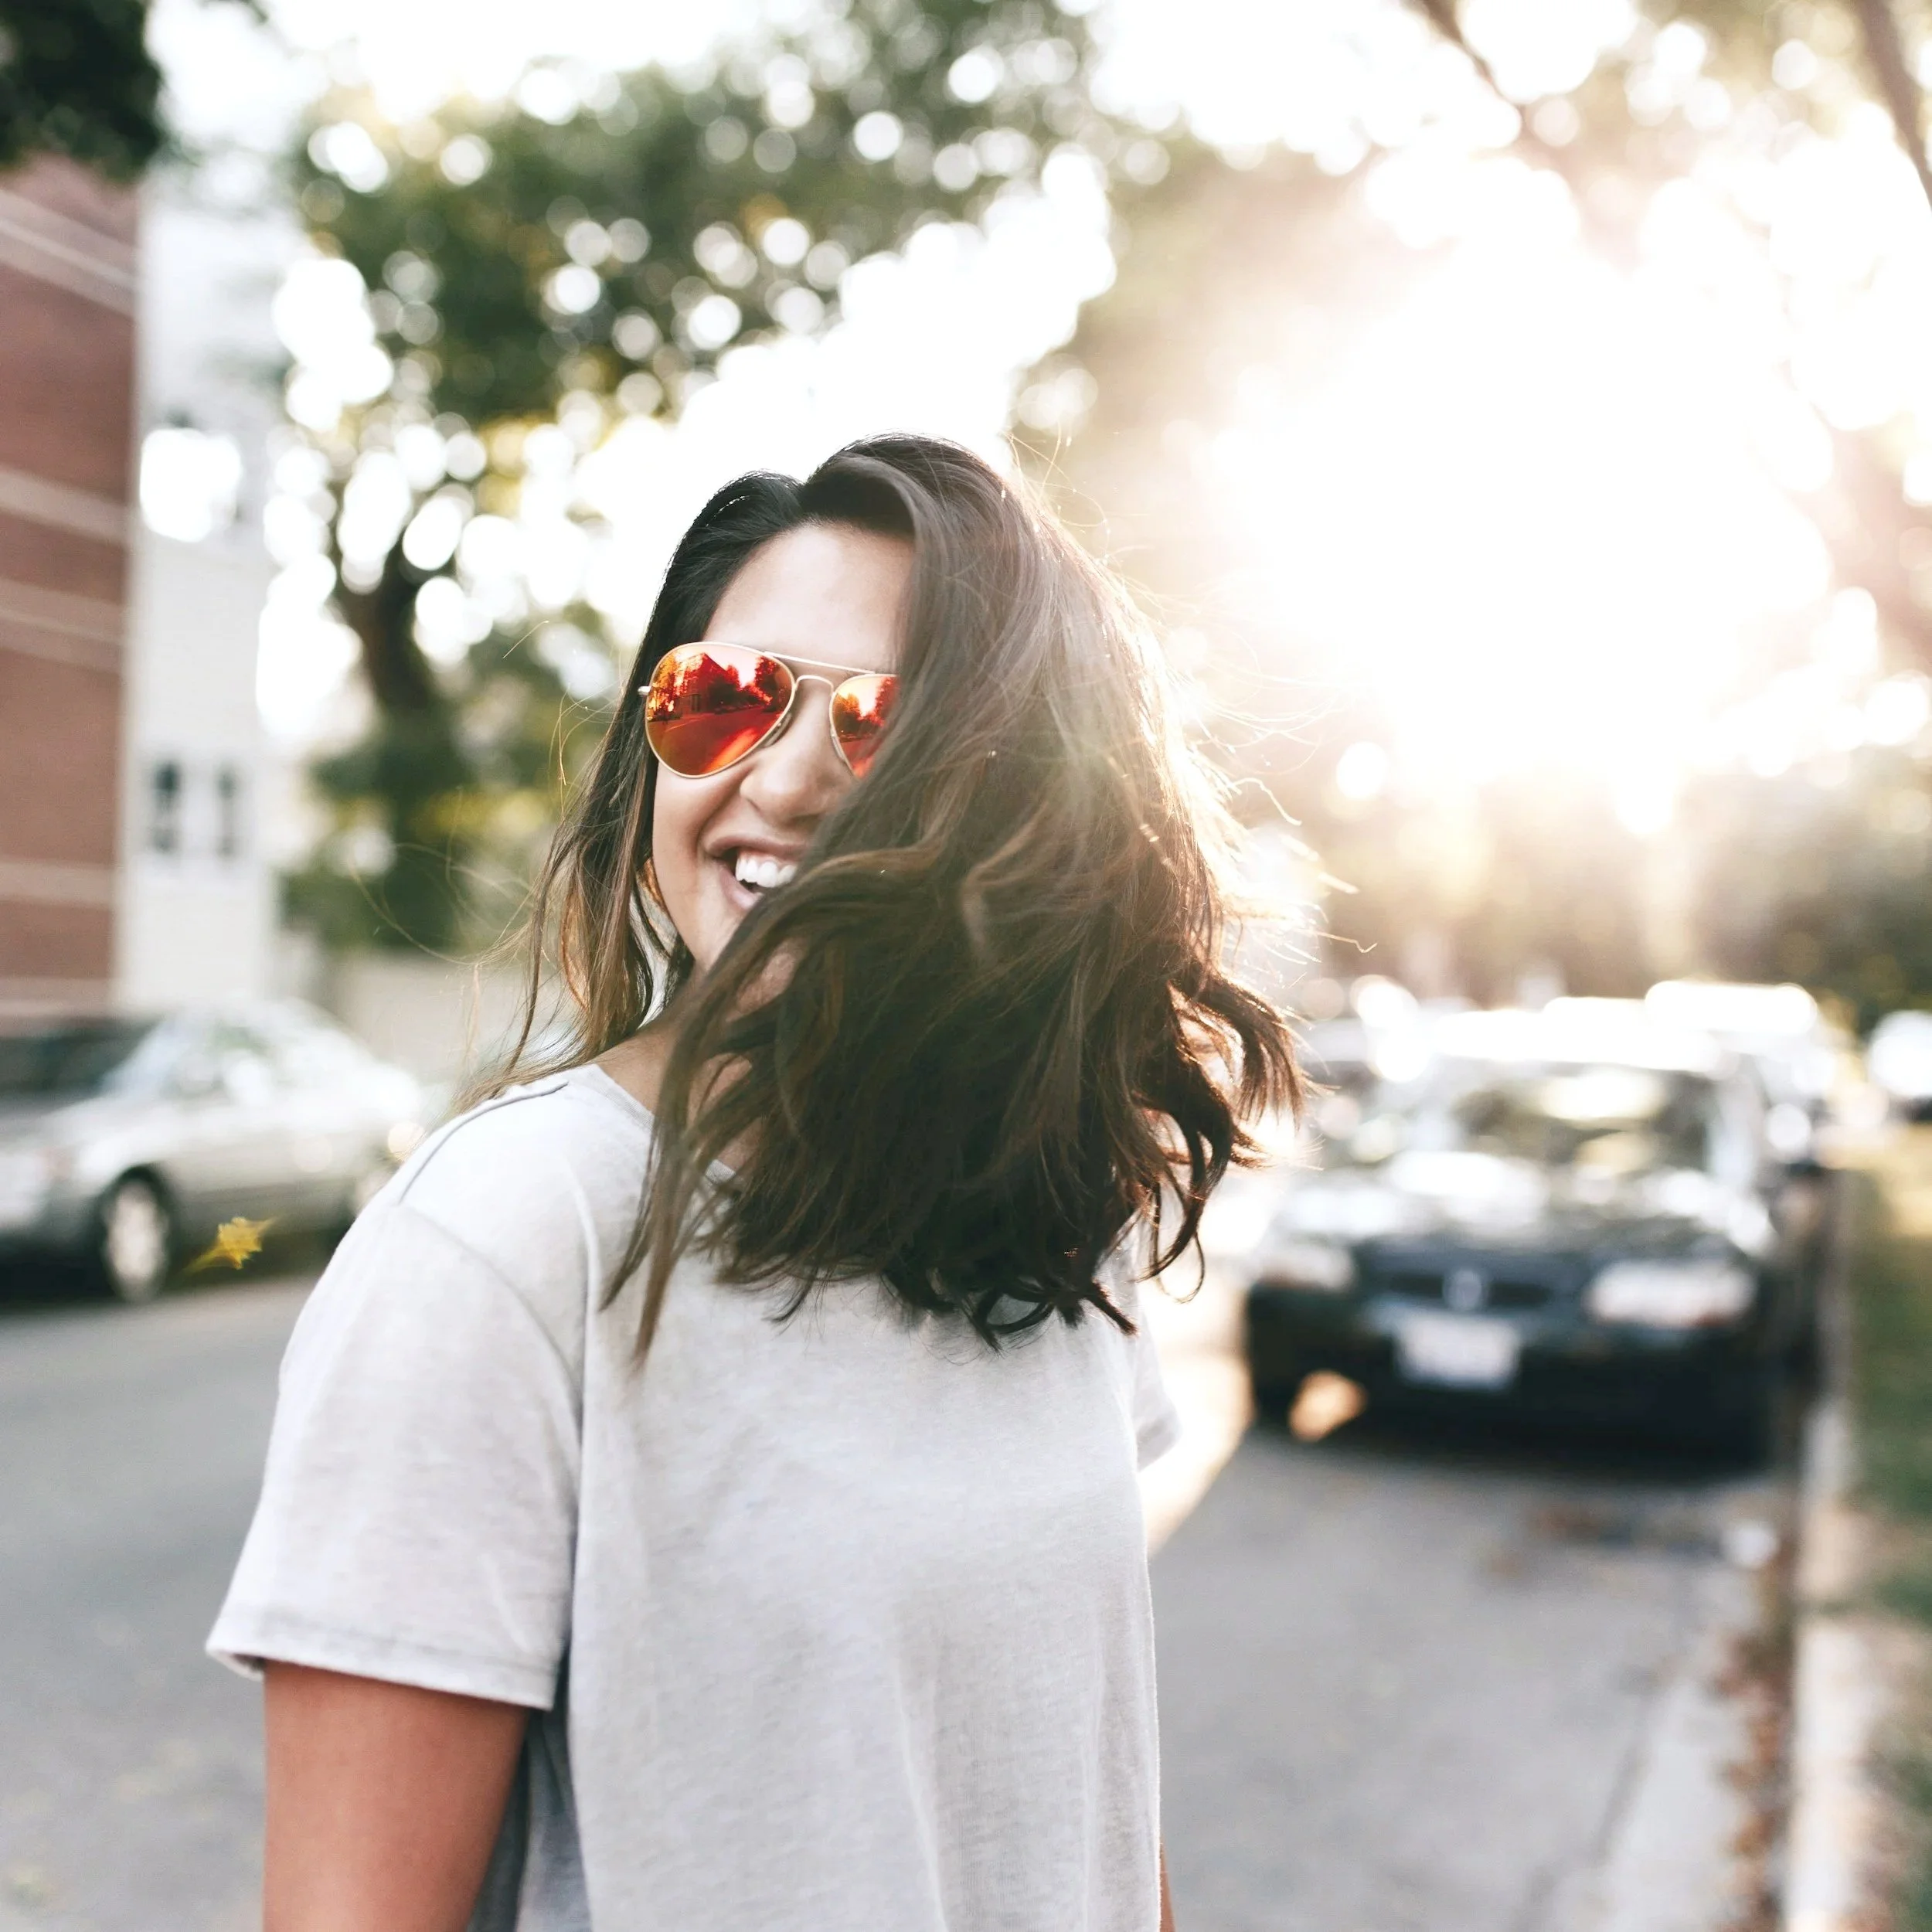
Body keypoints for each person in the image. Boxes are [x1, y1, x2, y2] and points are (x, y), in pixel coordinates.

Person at [210, 433, 1298, 1932]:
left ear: (1035, 802)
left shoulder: (1050, 1216)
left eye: (878, 726)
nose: (777, 781)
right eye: (721, 700)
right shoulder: (505, 1236)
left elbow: (1086, 1802)